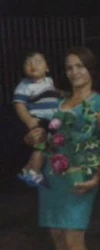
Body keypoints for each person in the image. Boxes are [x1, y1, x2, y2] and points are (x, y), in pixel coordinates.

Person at [24, 47, 100, 250]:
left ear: (91, 69)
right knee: (58, 239)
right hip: (52, 174)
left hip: (80, 177)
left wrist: (98, 176)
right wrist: (34, 138)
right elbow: (49, 138)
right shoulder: (59, 102)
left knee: (74, 241)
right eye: (70, 67)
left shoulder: (99, 104)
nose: (75, 72)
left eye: (80, 66)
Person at [14, 50, 63, 186]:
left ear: (47, 68)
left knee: (48, 146)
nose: (32, 65)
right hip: (39, 120)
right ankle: (35, 171)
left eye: (37, 62)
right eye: (28, 63)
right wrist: (28, 120)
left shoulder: (49, 81)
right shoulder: (24, 86)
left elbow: (54, 95)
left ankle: (27, 170)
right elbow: (19, 106)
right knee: (42, 147)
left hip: (52, 120)